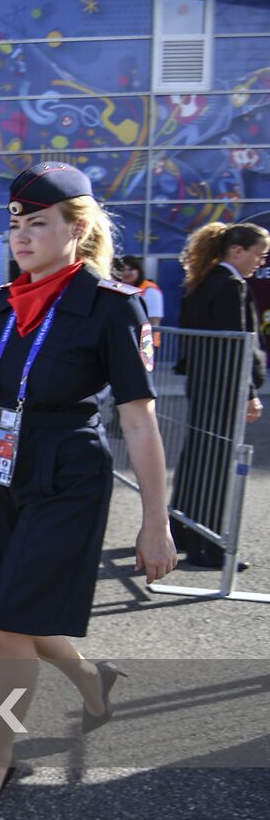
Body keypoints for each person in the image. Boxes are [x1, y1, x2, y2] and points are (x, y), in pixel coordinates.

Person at [0, 162, 176, 814]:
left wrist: (156, 521)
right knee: (22, 613)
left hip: (69, 470)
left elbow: (138, 417)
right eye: (16, 221)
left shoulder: (111, 307)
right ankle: (91, 678)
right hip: (3, 468)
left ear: (77, 228)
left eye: (38, 222)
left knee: (7, 623)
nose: (21, 234)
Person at [169, 219, 269, 571]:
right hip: (223, 387)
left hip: (204, 383)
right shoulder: (229, 285)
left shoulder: (202, 280)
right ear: (237, 250)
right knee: (214, 466)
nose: (262, 261)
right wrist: (250, 392)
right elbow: (240, 345)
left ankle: (181, 531)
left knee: (199, 458)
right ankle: (207, 547)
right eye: (259, 254)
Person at [114, 255, 163, 328]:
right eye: (122, 270)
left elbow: (154, 321)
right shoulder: (117, 288)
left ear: (139, 271)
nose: (126, 273)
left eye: (130, 269)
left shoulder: (150, 290)